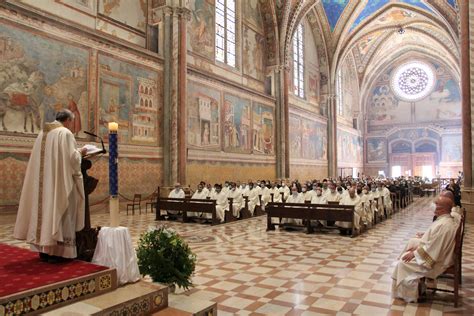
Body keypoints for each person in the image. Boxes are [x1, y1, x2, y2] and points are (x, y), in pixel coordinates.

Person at [14, 109, 86, 262]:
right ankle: (59, 253)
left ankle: (44, 251)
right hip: (60, 183)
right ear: (67, 120)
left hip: (45, 185)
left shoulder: (42, 134)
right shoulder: (65, 134)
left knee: (46, 213)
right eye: (72, 122)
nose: (72, 126)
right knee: (62, 212)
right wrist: (81, 152)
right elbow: (72, 159)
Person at [392, 196, 459, 303]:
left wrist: (415, 253)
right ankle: (416, 289)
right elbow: (433, 242)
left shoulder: (444, 225)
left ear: (441, 209)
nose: (433, 205)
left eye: (436, 204)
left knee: (403, 262)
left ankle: (409, 295)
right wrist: (418, 247)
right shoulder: (444, 220)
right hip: (435, 254)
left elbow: (434, 248)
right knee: (410, 247)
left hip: (436, 261)